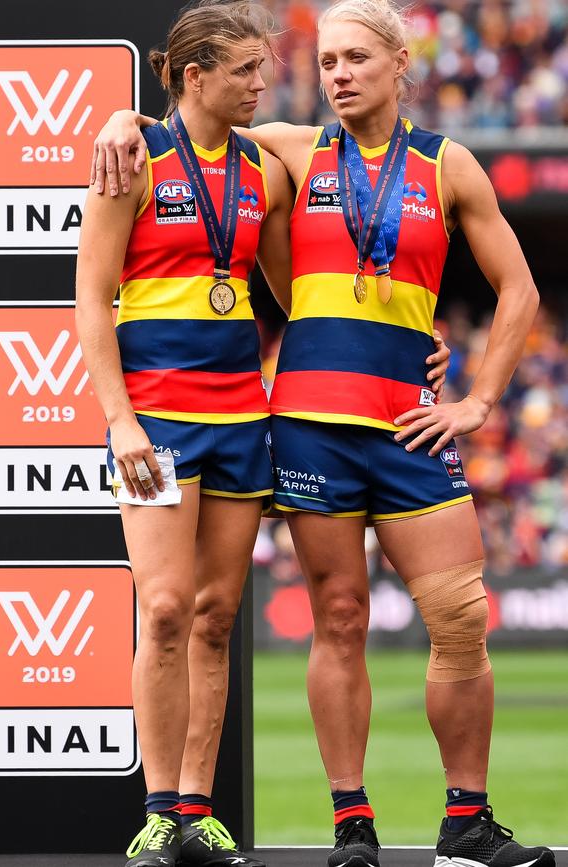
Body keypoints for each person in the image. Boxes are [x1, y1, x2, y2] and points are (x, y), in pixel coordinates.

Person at [91, 2, 557, 867]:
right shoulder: (289, 148)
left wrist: (480, 401)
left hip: (402, 424)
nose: (335, 73)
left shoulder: (448, 166)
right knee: (332, 615)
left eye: (354, 58)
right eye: (329, 59)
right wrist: (124, 116)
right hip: (297, 424)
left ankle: (466, 822)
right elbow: (182, 128)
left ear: (398, 61)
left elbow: (521, 289)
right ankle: (350, 823)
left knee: (460, 617)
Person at [75, 3, 296, 865]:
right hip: (155, 425)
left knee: (216, 617)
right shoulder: (128, 159)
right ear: (193, 75)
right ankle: (160, 811)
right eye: (243, 70)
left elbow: (287, 289)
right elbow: (92, 300)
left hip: (243, 416)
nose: (260, 83)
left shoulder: (265, 171)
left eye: (262, 70)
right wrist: (118, 419)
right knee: (163, 609)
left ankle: (200, 810)